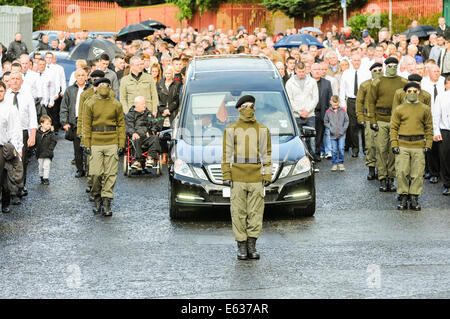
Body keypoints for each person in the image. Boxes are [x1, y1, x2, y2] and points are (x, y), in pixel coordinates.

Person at [221, 95, 271, 260]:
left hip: (256, 176)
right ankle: (242, 246)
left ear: (255, 108)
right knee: (238, 212)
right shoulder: (231, 129)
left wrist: (268, 174)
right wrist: (226, 174)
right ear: (238, 109)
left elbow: (267, 154)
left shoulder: (263, 130)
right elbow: (226, 154)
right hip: (238, 176)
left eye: (251, 105)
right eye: (245, 106)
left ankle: (252, 245)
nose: (248, 109)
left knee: (255, 213)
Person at [83, 78, 125, 217]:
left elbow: (121, 125)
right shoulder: (90, 103)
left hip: (112, 141)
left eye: (107, 85)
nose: (104, 88)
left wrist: (121, 143)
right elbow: (86, 125)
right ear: (97, 87)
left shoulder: (116, 104)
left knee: (110, 174)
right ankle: (97, 197)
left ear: (110, 87)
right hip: (95, 141)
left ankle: (106, 201)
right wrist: (87, 143)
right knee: (95, 173)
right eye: (101, 85)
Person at [390, 82, 433, 210]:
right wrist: (394, 143)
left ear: (419, 92)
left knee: (417, 173)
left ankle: (414, 197)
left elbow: (429, 127)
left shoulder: (425, 109)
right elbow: (393, 128)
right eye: (409, 91)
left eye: (415, 91)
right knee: (402, 171)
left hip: (418, 145)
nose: (412, 93)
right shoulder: (399, 109)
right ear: (405, 93)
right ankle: (403, 197)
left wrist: (428, 143)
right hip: (402, 144)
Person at [368, 57, 408, 192]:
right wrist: (372, 121)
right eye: (389, 65)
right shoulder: (378, 81)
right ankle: (382, 178)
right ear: (385, 67)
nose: (392, 67)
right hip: (380, 119)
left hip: (396, 121)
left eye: (394, 65)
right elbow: (371, 102)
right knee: (381, 149)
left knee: (393, 151)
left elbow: (406, 103)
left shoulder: (403, 82)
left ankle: (391, 178)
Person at [5, 71, 38, 202]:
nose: (14, 81)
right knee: (8, 163)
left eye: (17, 79)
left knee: (21, 162)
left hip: (23, 132)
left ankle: (19, 188)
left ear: (22, 81)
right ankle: (10, 191)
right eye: (12, 79)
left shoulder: (27, 96)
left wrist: (32, 135)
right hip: (7, 133)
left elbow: (33, 117)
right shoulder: (5, 96)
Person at [60, 68, 91, 178]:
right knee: (77, 148)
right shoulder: (70, 90)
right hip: (75, 121)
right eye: (79, 75)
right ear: (75, 77)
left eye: (83, 75)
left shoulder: (91, 89)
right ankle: (79, 169)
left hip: (88, 122)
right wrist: (64, 122)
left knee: (88, 146)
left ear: (86, 76)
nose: (81, 77)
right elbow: (64, 107)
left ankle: (89, 169)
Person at [285, 62, 319, 157]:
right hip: (296, 115)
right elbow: (290, 100)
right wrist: (299, 111)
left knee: (311, 137)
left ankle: (312, 156)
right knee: (299, 137)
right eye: (299, 72)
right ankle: (301, 156)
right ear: (295, 70)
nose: (301, 74)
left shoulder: (312, 81)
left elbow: (315, 98)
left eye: (303, 71)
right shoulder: (290, 83)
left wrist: (307, 110)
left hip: (310, 114)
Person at [356, 62, 383, 180]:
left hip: (383, 119)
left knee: (382, 146)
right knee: (370, 145)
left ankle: (381, 170)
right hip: (369, 118)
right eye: (375, 70)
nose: (377, 72)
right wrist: (360, 117)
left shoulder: (388, 85)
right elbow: (359, 102)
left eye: (380, 70)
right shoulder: (365, 85)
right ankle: (371, 168)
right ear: (371, 72)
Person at [339, 53, 370, 157]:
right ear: (351, 61)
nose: (356, 62)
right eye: (354, 60)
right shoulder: (346, 73)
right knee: (353, 126)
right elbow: (342, 90)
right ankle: (355, 149)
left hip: (363, 101)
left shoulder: (366, 73)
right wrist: (343, 104)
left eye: (358, 60)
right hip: (351, 101)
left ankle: (366, 149)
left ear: (360, 61)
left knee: (364, 125)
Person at [0, 81, 23, 214]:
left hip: (3, 147)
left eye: (1, 91)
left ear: (5, 91)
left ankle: (5, 202)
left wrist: (18, 147)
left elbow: (15, 130)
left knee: (4, 175)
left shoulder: (10, 108)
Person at [421, 64, 446, 182]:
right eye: (434, 71)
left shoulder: (443, 82)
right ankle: (432, 172)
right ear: (429, 72)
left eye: (438, 71)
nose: (437, 73)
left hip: (442, 118)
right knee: (430, 144)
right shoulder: (424, 83)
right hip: (428, 116)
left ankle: (442, 171)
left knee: (442, 145)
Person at [125, 96, 161, 169]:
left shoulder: (149, 114)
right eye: (142, 104)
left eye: (145, 103)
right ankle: (137, 161)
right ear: (136, 105)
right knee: (135, 138)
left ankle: (150, 157)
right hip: (137, 137)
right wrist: (133, 133)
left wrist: (153, 131)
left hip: (147, 137)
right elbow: (129, 127)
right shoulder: (130, 115)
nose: (144, 105)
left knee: (155, 138)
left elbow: (155, 123)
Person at [310, 63, 332, 162]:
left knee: (319, 135)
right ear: (311, 71)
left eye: (319, 69)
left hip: (321, 112)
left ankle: (317, 153)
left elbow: (330, 99)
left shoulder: (327, 83)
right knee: (310, 135)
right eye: (315, 69)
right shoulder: (307, 82)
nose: (317, 71)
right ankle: (310, 154)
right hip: (310, 112)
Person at [432, 77, 450, 196]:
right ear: (445, 85)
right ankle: (447, 184)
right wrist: (436, 131)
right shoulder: (441, 97)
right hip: (445, 130)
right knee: (445, 157)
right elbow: (436, 115)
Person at [324, 95, 349, 171]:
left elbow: (347, 121)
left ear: (339, 103)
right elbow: (325, 122)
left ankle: (341, 162)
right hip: (332, 135)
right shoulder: (328, 112)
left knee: (341, 148)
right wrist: (330, 128)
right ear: (330, 102)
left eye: (337, 105)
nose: (336, 106)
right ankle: (334, 163)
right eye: (334, 105)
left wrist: (343, 129)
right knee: (334, 150)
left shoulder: (343, 111)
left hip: (342, 134)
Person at [35, 115, 57, 185]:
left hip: (48, 153)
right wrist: (35, 149)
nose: (49, 125)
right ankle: (41, 176)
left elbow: (54, 141)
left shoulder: (51, 133)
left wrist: (50, 149)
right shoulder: (38, 133)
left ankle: (46, 178)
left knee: (46, 166)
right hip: (40, 153)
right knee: (40, 166)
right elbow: (35, 141)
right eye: (47, 124)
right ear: (42, 124)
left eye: (50, 124)